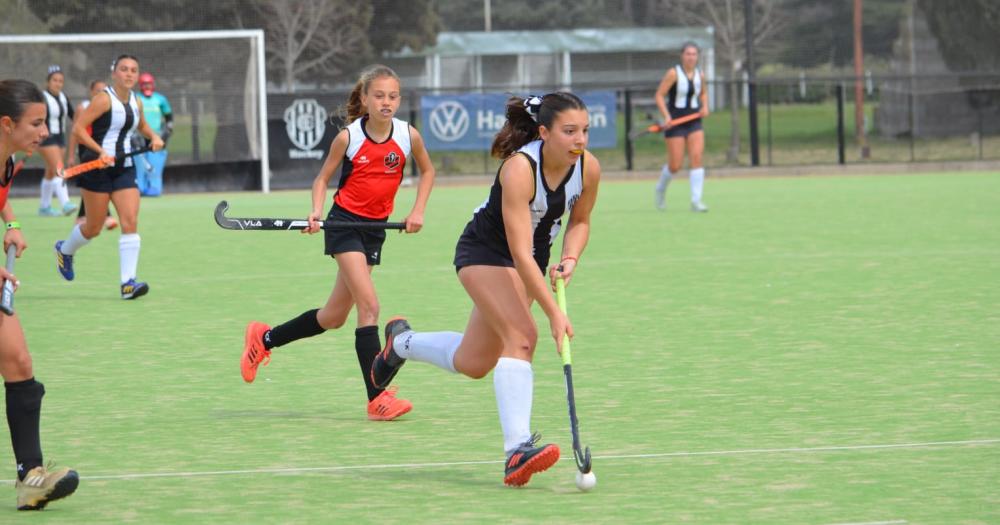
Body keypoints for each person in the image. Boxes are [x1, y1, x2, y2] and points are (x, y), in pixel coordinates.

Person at [370, 92, 601, 486]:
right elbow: (519, 253)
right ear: (544, 133)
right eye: (569, 132)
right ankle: (516, 451)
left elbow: (580, 221)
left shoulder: (588, 168)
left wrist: (571, 258)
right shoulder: (519, 170)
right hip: (486, 253)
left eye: (584, 131)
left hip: (529, 259)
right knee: (522, 336)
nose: (580, 140)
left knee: (474, 362)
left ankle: (400, 343)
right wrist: (554, 314)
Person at [240, 65, 436, 422]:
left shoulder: (409, 136)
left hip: (375, 229)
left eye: (393, 96)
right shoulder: (349, 138)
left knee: (333, 317)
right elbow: (322, 178)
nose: (386, 102)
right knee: (370, 307)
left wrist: (417, 210)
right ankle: (377, 398)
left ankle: (264, 338)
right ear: (364, 99)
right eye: (378, 96)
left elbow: (428, 171)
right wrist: (316, 211)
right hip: (344, 225)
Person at [0, 79, 80, 511]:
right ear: (7, 123)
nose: (44, 132)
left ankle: (31, 479)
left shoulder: (7, 161)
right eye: (36, 123)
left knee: (19, 364)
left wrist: (12, 223)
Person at [54, 55, 164, 299]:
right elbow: (78, 129)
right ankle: (65, 250)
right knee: (92, 228)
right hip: (96, 167)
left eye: (133, 70)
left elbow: (142, 126)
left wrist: (153, 137)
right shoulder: (103, 100)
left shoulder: (136, 101)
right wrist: (100, 151)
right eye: (124, 69)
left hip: (124, 167)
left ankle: (128, 284)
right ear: (114, 73)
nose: (129, 74)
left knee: (130, 221)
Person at [654, 42, 710, 212]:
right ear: (682, 55)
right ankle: (660, 190)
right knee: (675, 165)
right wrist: (667, 116)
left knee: (697, 158)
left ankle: (696, 201)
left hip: (694, 121)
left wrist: (705, 106)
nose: (691, 57)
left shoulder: (700, 74)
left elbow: (703, 93)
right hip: (675, 123)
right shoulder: (673, 73)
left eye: (694, 54)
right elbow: (659, 95)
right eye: (688, 54)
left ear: (697, 56)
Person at [68, 79, 118, 231]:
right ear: (91, 92)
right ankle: (106, 215)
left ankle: (82, 216)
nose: (100, 93)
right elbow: (75, 133)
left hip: (104, 149)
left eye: (104, 90)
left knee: (99, 181)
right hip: (87, 151)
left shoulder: (110, 106)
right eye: (97, 90)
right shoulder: (82, 107)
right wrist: (71, 156)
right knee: (92, 182)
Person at [37, 66, 77, 217]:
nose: (58, 83)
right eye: (55, 80)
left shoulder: (63, 97)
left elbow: (74, 116)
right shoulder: (42, 97)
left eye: (61, 81)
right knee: (59, 168)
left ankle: (44, 207)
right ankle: (66, 203)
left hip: (60, 138)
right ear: (48, 82)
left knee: (50, 171)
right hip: (46, 138)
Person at [134, 72, 172, 196]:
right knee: (139, 164)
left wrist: (166, 132)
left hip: (156, 136)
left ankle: (154, 188)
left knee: (155, 164)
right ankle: (139, 187)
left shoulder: (160, 99)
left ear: (153, 85)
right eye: (144, 84)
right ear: (140, 85)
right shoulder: (135, 98)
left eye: (149, 84)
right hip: (139, 137)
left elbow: (169, 118)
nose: (147, 87)